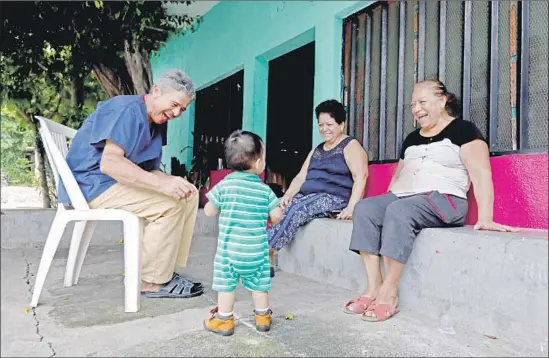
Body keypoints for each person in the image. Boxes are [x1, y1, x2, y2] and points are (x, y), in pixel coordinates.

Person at [343, 79, 517, 321]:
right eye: (413, 104)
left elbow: (481, 174)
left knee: (399, 210)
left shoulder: (464, 131)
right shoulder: (412, 138)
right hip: (405, 196)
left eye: (422, 102)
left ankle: (389, 293)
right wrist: (387, 197)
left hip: (445, 199)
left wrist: (485, 217)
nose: (416, 109)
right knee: (365, 208)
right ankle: (373, 287)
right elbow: (399, 175)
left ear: (442, 101)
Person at [58, 69, 204, 298]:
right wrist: (162, 185)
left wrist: (173, 181)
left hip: (111, 180)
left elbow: (148, 170)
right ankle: (151, 281)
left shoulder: (157, 120)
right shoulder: (126, 109)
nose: (176, 112)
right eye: (174, 104)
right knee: (169, 205)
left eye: (182, 110)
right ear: (156, 91)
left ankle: (162, 270)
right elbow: (111, 163)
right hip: (91, 184)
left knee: (188, 194)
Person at [268, 99, 369, 268]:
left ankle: (265, 250)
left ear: (341, 124)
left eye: (329, 124)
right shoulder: (317, 149)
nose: (324, 129)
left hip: (334, 198)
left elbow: (361, 176)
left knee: (297, 209)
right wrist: (288, 195)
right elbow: (301, 177)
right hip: (309, 196)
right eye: (321, 125)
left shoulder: (350, 146)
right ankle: (266, 255)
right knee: (277, 205)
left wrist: (351, 208)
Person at [203, 130, 283, 336]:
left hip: (229, 251)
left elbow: (209, 210)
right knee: (259, 286)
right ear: (257, 164)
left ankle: (224, 320)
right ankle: (263, 317)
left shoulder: (225, 185)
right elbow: (276, 216)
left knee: (226, 286)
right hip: (257, 251)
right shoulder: (264, 190)